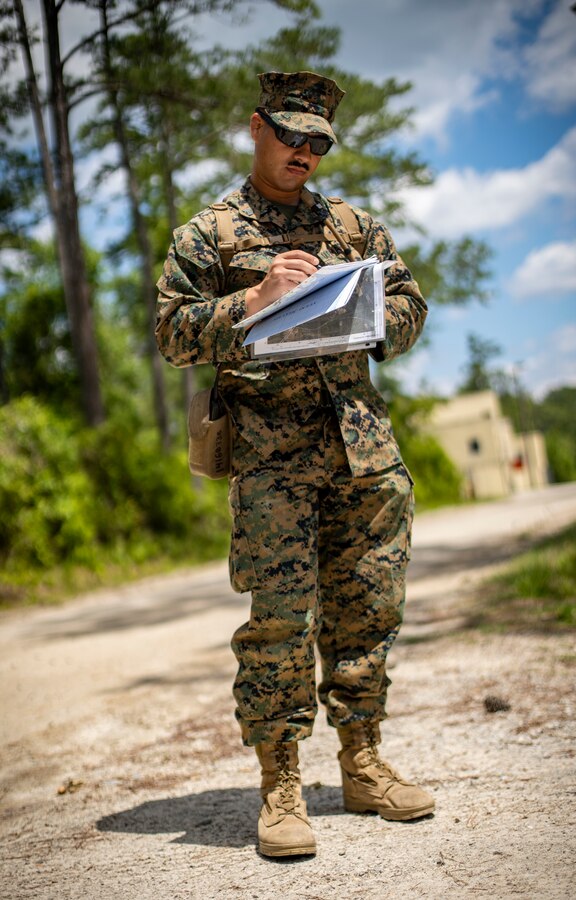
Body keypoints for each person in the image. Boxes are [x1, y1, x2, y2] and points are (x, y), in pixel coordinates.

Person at [156, 70, 434, 858]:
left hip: (361, 451)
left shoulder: (353, 228)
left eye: (318, 141)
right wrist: (252, 300)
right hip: (271, 459)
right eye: (291, 135)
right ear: (256, 128)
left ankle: (362, 761)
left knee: (368, 612)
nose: (304, 151)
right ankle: (280, 786)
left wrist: (372, 318)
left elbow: (410, 306)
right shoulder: (208, 235)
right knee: (281, 621)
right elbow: (171, 333)